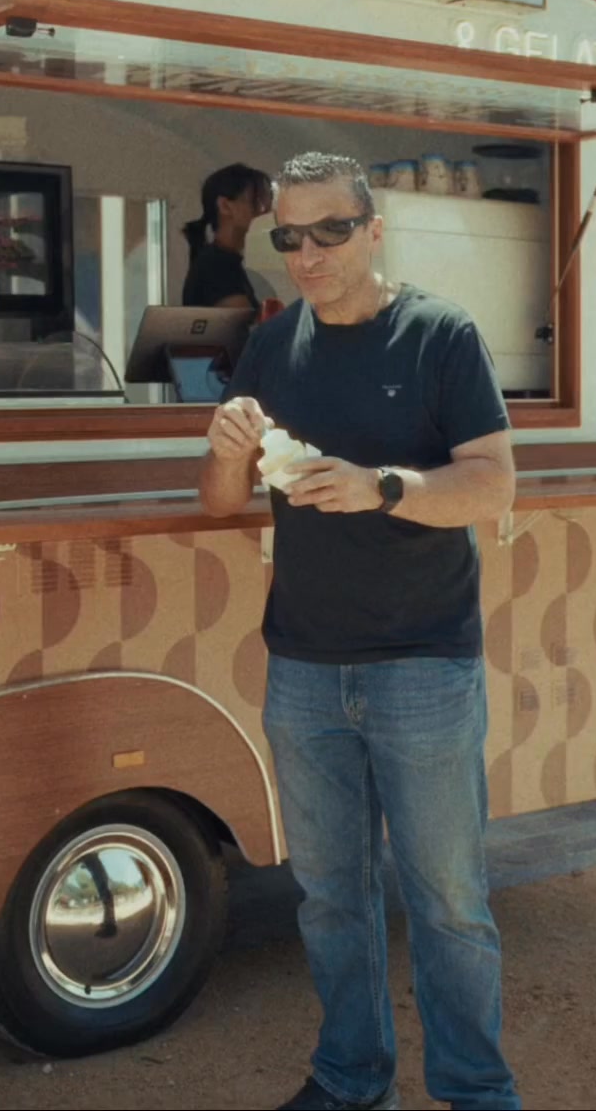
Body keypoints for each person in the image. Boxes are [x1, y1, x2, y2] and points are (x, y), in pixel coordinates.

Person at [199, 152, 521, 1111]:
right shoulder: (269, 344)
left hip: (423, 665)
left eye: (329, 230)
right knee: (332, 901)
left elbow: (494, 482)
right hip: (302, 668)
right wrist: (223, 450)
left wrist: (385, 487)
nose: (307, 253)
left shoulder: (439, 335)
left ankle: (476, 1091)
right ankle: (349, 1079)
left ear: (374, 231)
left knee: (450, 906)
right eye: (287, 235)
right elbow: (222, 502)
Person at [181, 163, 273, 311]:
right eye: (258, 202)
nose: (267, 213)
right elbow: (245, 328)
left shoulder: (224, 261)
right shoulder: (217, 266)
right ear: (225, 206)